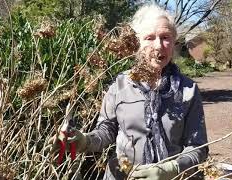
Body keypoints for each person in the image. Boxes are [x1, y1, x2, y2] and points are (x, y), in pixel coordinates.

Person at [53, 3, 208, 180]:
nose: (158, 45)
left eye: (165, 37)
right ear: (136, 43)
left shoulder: (188, 90)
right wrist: (85, 141)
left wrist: (172, 168)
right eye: (149, 38)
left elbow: (198, 147)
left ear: (173, 42)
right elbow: (107, 130)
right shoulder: (120, 85)